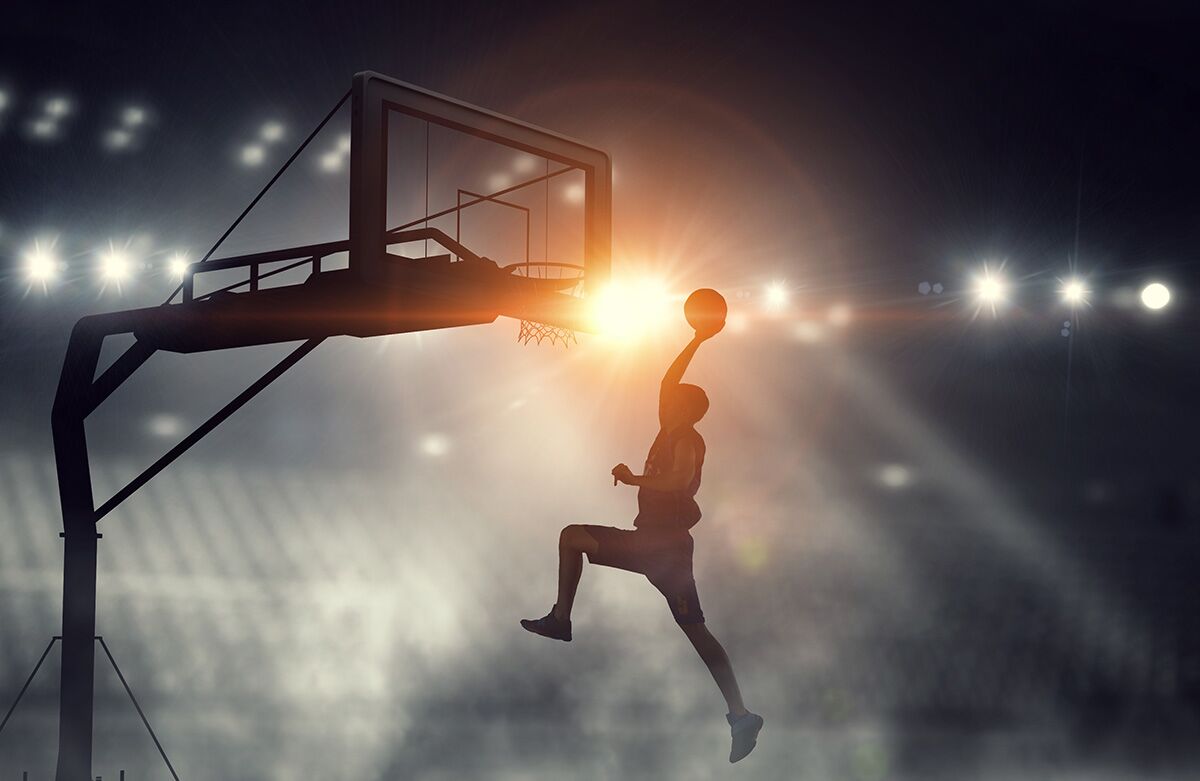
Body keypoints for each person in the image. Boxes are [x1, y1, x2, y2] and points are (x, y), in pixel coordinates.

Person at [521, 321, 764, 763]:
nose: (665, 397)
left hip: (664, 547)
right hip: (651, 542)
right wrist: (695, 338)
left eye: (673, 398)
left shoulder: (687, 438)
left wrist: (635, 476)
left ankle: (561, 621)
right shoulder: (670, 427)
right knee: (692, 629)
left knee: (574, 538)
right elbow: (667, 378)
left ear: (685, 409)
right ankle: (741, 715)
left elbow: (678, 479)